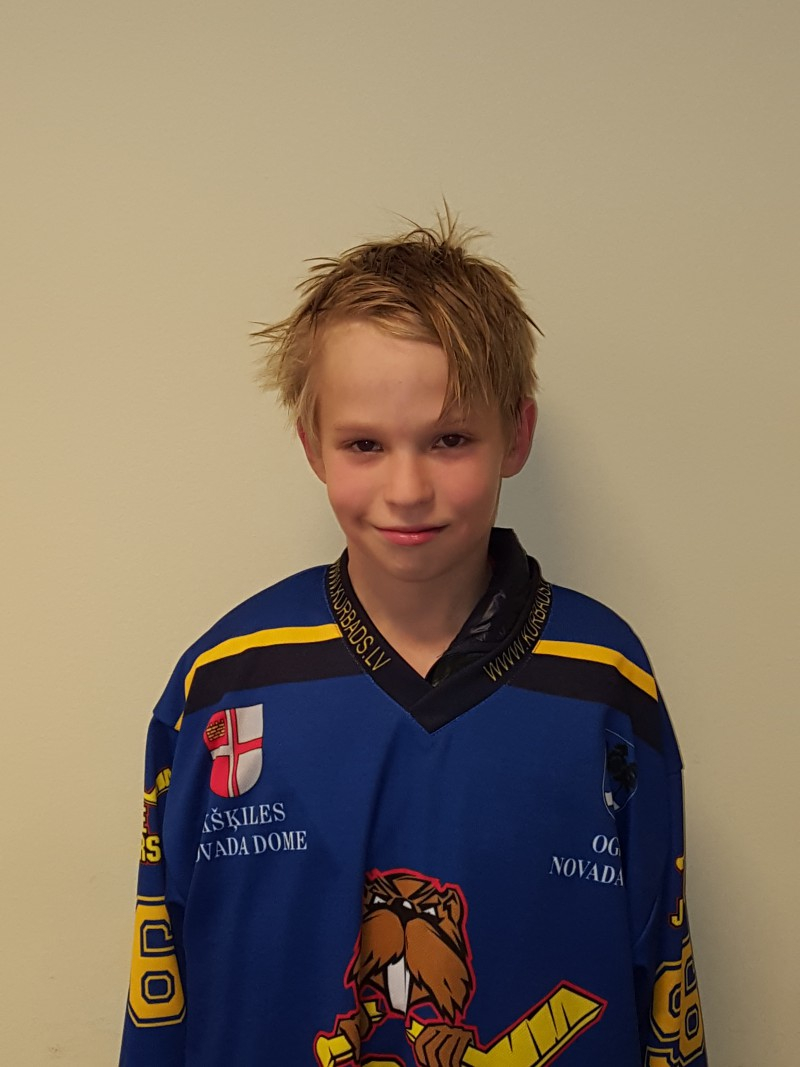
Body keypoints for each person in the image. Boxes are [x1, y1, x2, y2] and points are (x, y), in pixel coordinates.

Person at [120, 212, 706, 1066]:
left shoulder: (604, 681)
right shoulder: (224, 683)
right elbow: (160, 974)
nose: (407, 487)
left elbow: (664, 977)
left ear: (517, 435)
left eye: (449, 439)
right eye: (365, 443)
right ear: (313, 447)